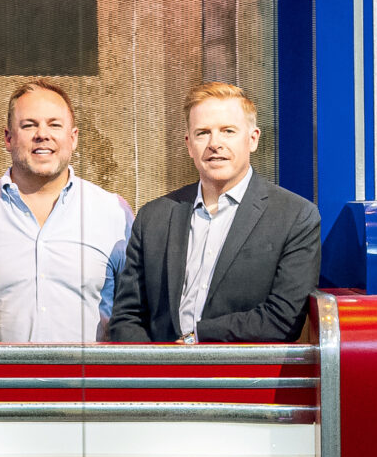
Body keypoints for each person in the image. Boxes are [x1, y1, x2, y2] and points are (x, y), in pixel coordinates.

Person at [109, 82, 322, 343]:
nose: (214, 144)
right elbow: (126, 317)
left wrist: (195, 337)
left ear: (252, 139)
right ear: (189, 145)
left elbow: (282, 318)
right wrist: (155, 372)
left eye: (228, 131)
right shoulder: (154, 217)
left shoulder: (295, 217)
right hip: (159, 378)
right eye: (203, 133)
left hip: (247, 379)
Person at [0, 80, 133, 344]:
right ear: (8, 138)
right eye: (29, 125)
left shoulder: (114, 213)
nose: (42, 134)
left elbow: (135, 313)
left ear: (73, 137)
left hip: (88, 384)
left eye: (54, 124)